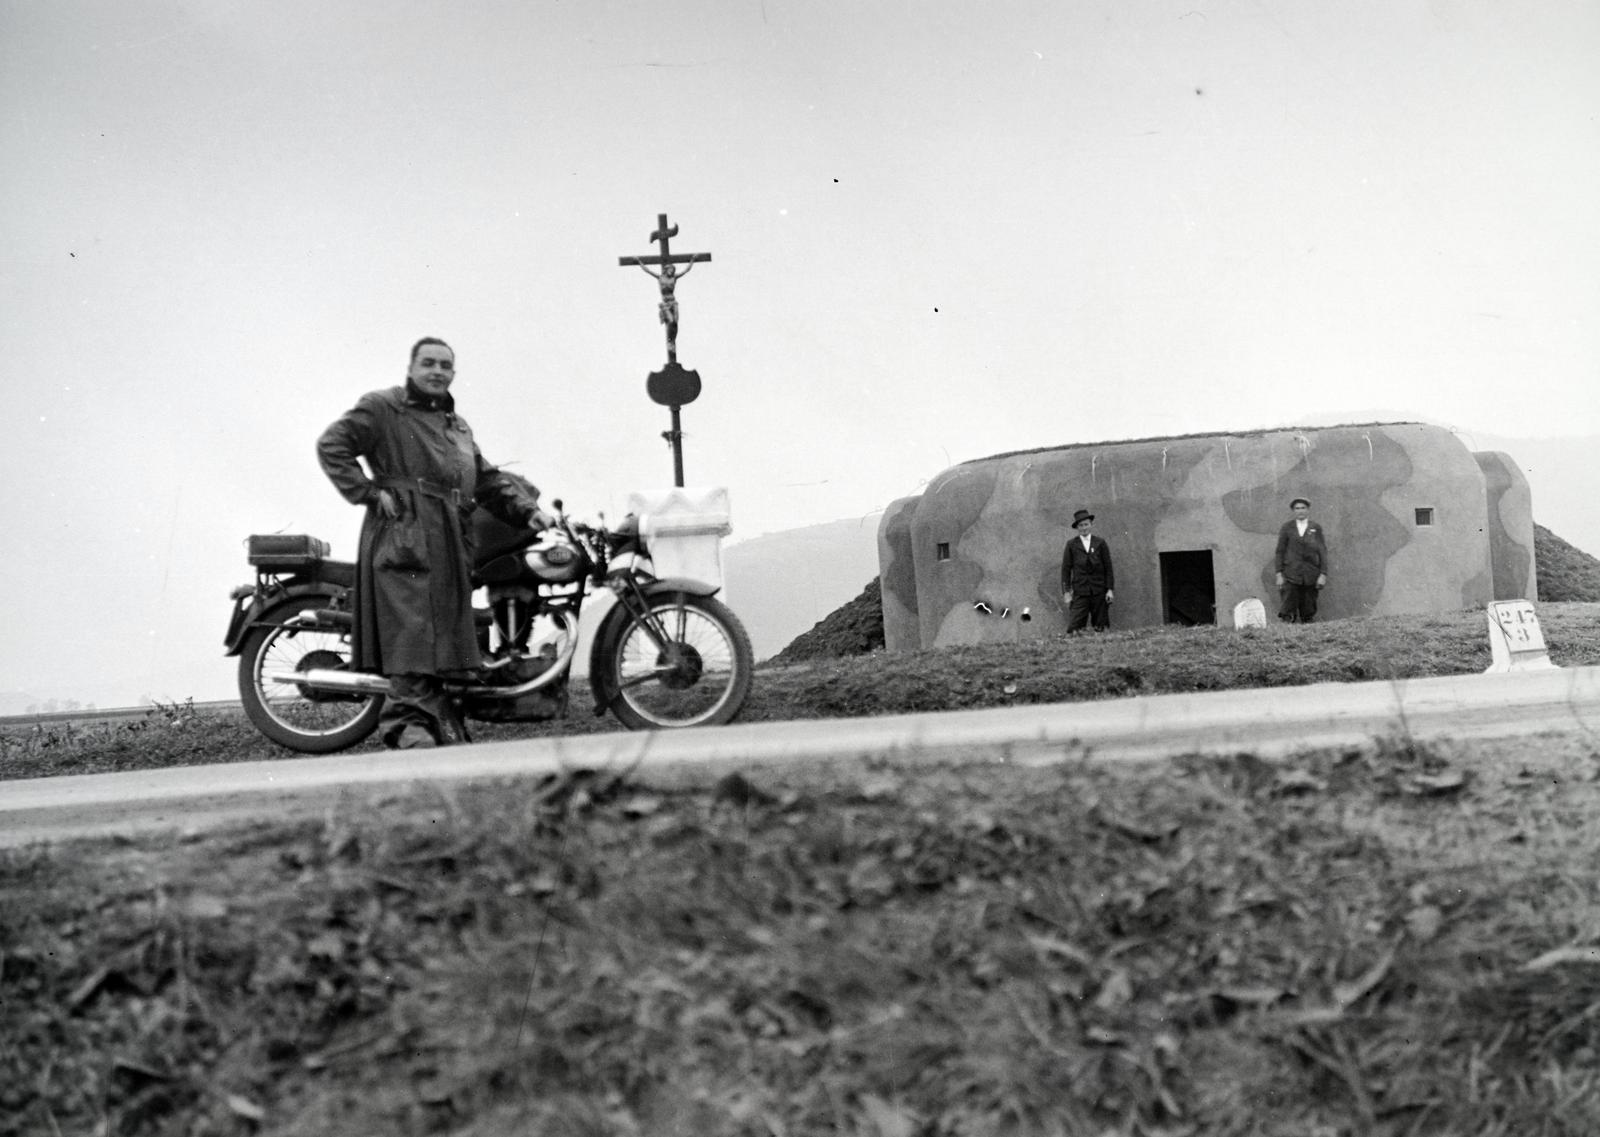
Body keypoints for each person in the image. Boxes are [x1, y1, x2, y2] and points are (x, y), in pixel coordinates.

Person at [317, 337, 548, 750]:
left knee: (443, 634)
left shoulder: (456, 426)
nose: (437, 371)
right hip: (404, 528)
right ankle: (407, 728)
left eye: (445, 365)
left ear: (453, 374)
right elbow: (332, 445)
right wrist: (369, 493)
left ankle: (441, 727)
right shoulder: (383, 407)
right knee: (412, 629)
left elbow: (487, 479)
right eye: (428, 363)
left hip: (450, 533)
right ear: (410, 368)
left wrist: (527, 510)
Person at [1275, 496, 1328, 623]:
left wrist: (1323, 574)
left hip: (1310, 574)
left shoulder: (1315, 528)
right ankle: (1287, 628)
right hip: (1291, 574)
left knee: (1308, 608)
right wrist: (1279, 574)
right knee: (1288, 607)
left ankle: (1307, 626)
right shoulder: (1287, 528)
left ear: (1308, 510)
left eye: (1303, 508)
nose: (1300, 511)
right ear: (1293, 511)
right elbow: (1280, 551)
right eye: (1297, 508)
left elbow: (1322, 551)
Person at [1061, 508, 1115, 632]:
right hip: (1080, 592)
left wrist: (1110, 589)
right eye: (1081, 525)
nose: (1084, 528)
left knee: (1101, 627)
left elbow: (1108, 568)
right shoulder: (1071, 545)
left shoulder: (1100, 543)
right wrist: (1066, 592)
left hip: (1099, 591)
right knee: (1074, 628)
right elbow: (1066, 570)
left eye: (1086, 524)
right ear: (1077, 527)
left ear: (1091, 525)